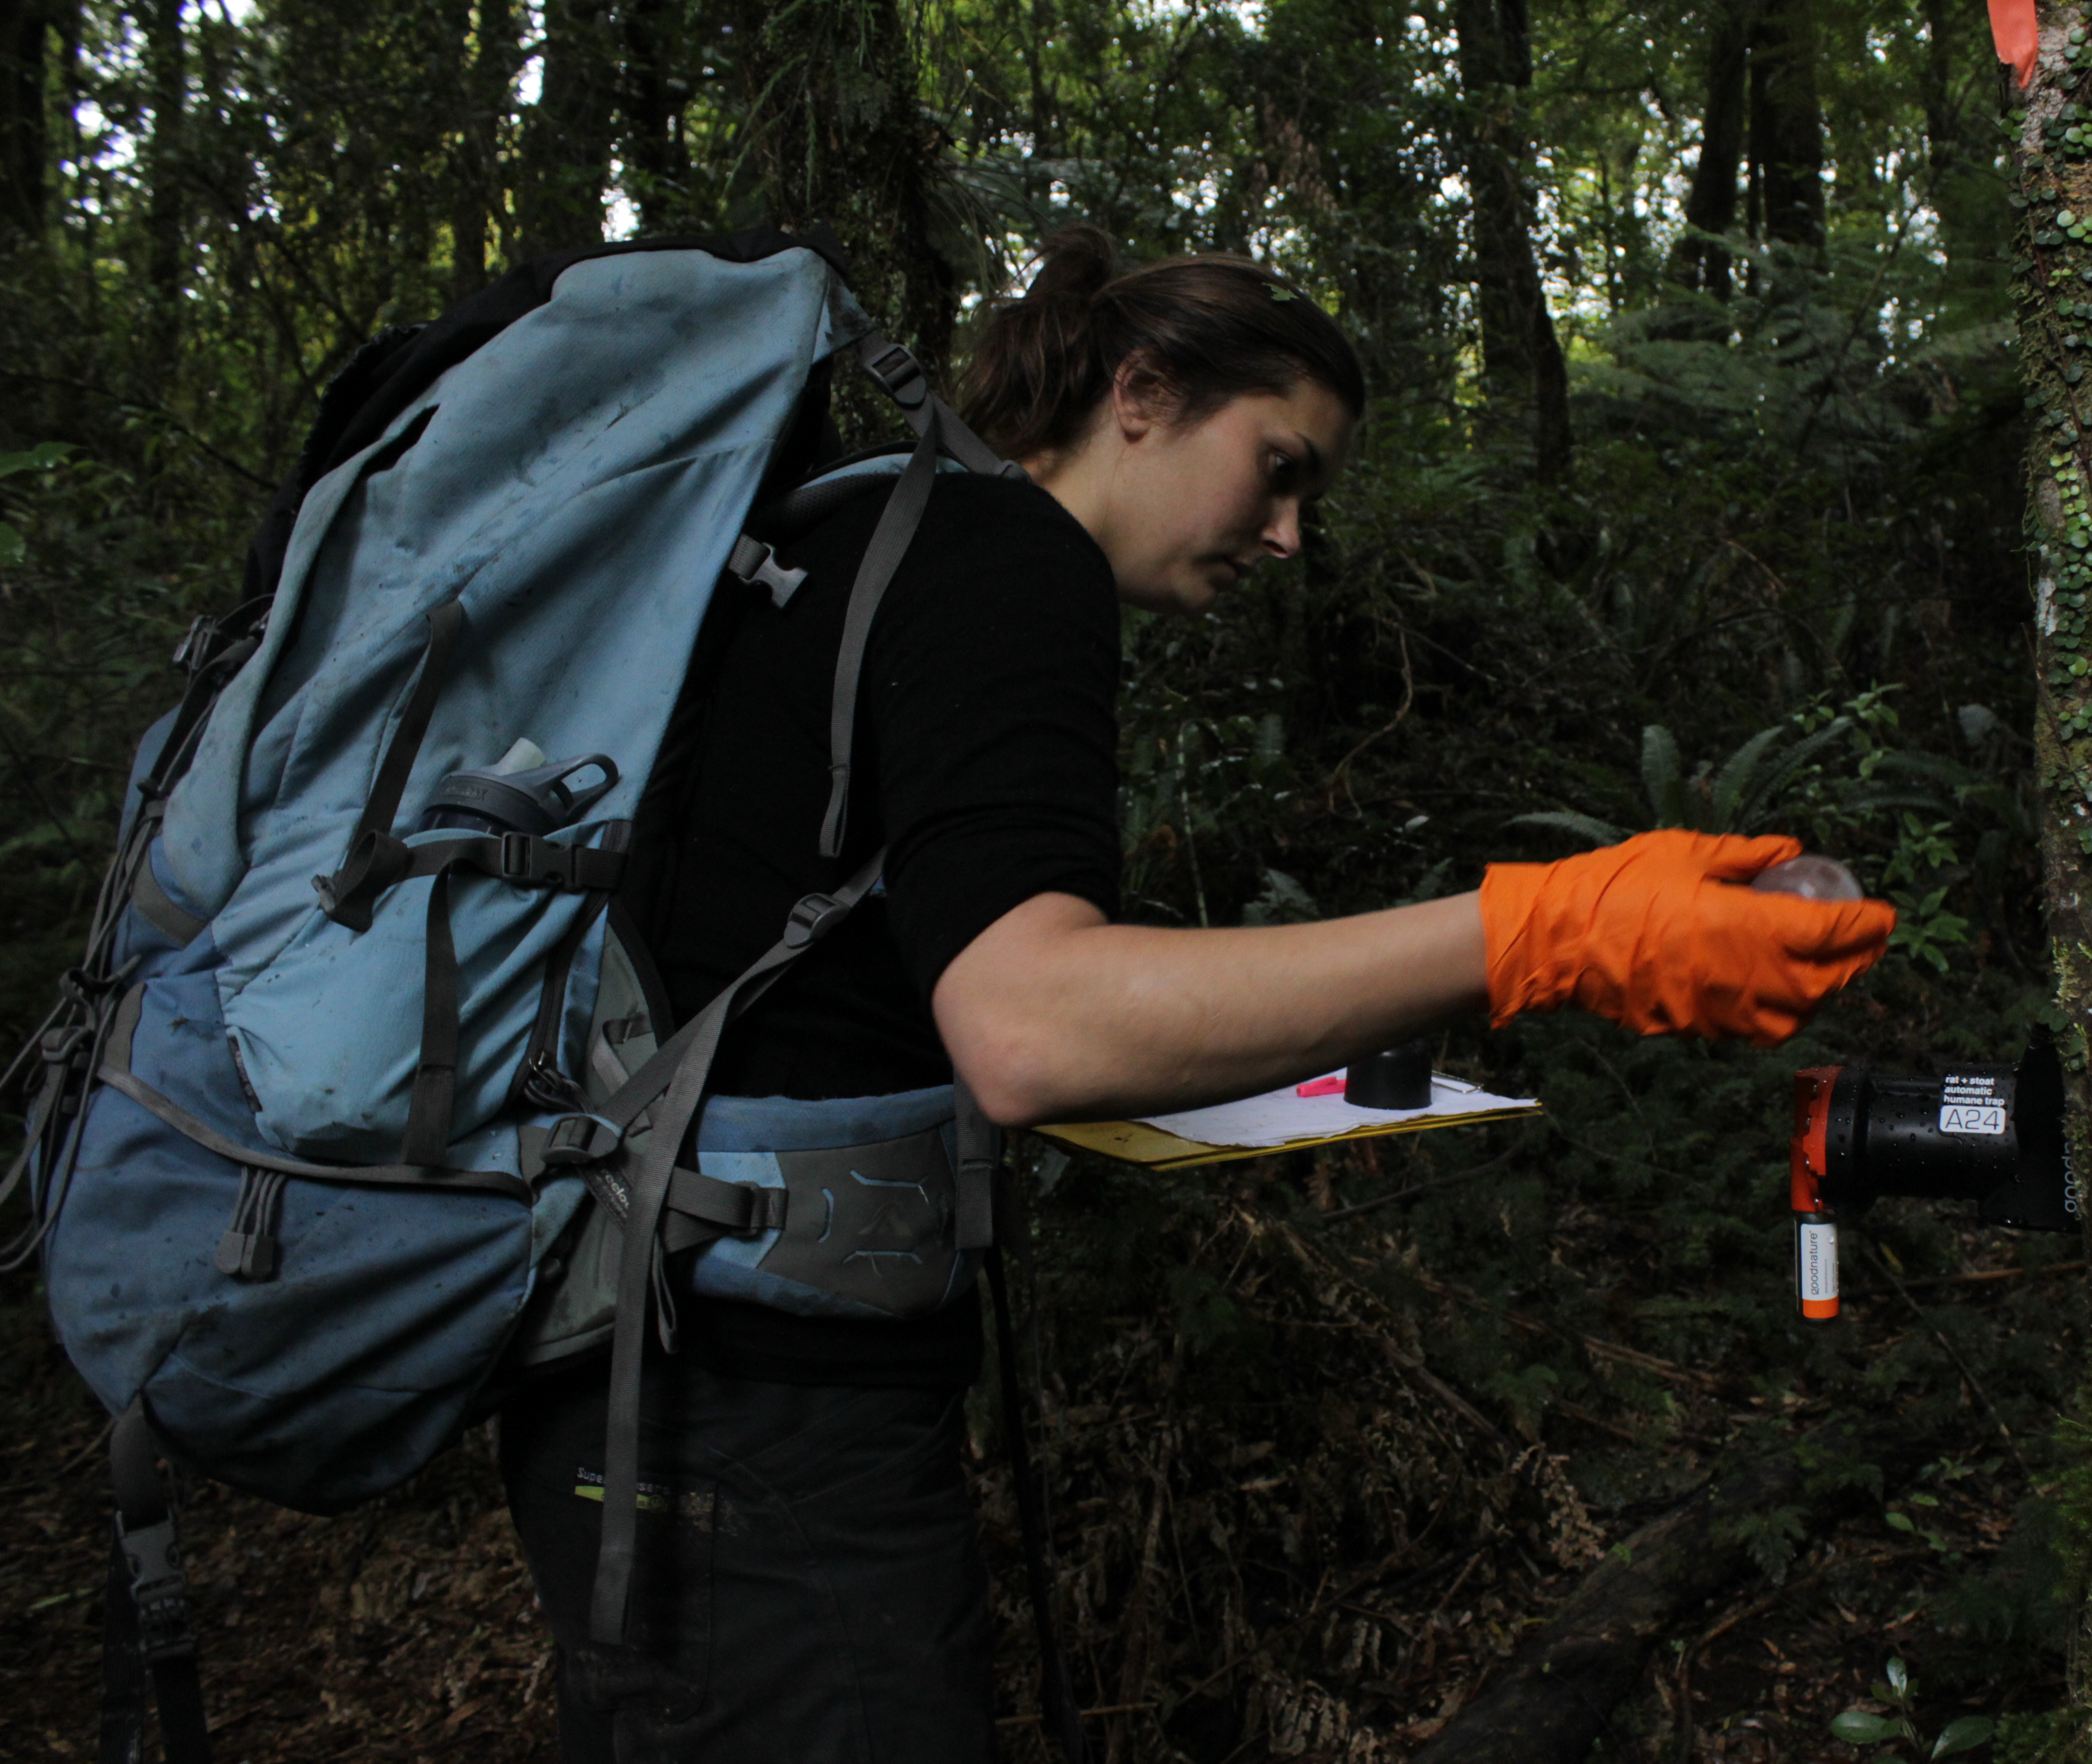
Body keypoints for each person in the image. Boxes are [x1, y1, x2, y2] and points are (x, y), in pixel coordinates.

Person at [496, 225, 1895, 1761]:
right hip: (767, 1433)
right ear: (1143, 392)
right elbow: (1031, 1028)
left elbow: (840, 986)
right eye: (1279, 466)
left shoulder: (840, 532)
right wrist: (1546, 932)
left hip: (629, 1381)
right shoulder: (1001, 562)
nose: (1292, 534)